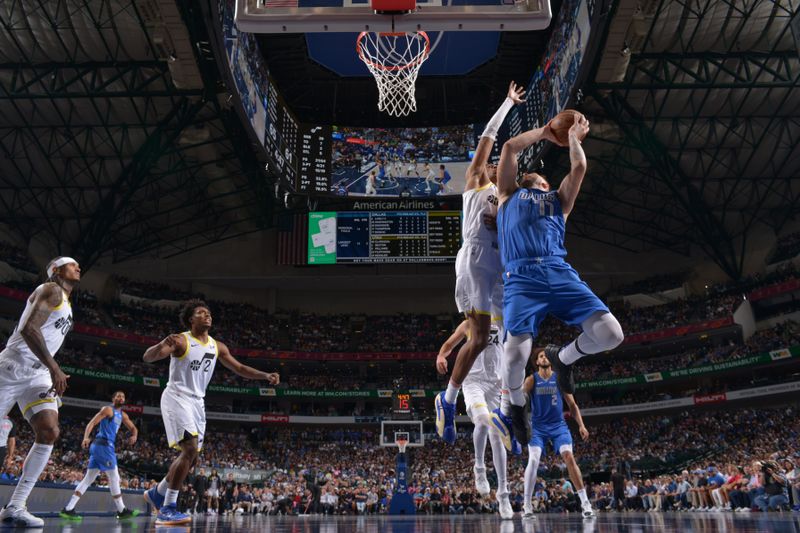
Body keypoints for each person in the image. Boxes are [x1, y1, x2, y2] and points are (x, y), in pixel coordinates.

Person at [490, 113, 624, 448]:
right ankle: (517, 410)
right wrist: (546, 133)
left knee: (612, 334)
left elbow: (578, 169)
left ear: (547, 185)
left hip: (557, 271)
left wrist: (575, 138)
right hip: (521, 277)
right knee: (514, 358)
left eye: (540, 179)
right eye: (531, 178)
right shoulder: (508, 194)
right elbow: (508, 148)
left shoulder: (558, 202)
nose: (537, 180)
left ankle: (564, 358)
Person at [435, 81, 526, 447]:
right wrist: (507, 104)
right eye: (488, 162)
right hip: (474, 259)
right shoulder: (475, 182)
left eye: (494, 164)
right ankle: (448, 399)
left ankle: (505, 410)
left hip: (501, 265)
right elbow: (490, 139)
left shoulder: (508, 196)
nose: (490, 164)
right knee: (475, 336)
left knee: (513, 335)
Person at [141, 299, 280, 526]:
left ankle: (157, 493)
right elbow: (148, 357)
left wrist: (265, 376)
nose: (207, 315)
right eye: (201, 312)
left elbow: (240, 368)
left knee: (192, 458)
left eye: (208, 313)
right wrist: (159, 346)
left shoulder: (217, 346)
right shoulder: (180, 340)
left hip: (198, 402)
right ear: (190, 319)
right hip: (177, 396)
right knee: (189, 449)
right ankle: (167, 507)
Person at [0, 256, 79, 527]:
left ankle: (16, 505)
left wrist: (50, 370)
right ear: (56, 271)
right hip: (13, 367)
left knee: (49, 431)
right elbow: (28, 329)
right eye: (72, 264)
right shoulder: (51, 289)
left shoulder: (67, 302)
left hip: (37, 374)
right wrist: (55, 368)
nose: (78, 267)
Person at [435, 299, 513, 519]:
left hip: (497, 382)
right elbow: (448, 345)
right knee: (482, 421)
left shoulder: (504, 319)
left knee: (497, 436)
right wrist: (441, 356)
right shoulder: (469, 323)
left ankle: (504, 495)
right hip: (473, 381)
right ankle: (479, 467)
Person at [521, 348, 595, 519]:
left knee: (569, 456)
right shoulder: (531, 380)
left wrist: (581, 426)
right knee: (533, 460)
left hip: (558, 426)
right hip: (538, 428)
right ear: (537, 362)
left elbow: (573, 405)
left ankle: (585, 502)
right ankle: (527, 505)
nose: (544, 357)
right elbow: (520, 403)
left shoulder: (560, 379)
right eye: (541, 356)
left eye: (546, 355)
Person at [59, 391, 139, 520]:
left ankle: (68, 509)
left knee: (88, 479)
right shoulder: (108, 410)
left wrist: (134, 435)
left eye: (123, 396)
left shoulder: (123, 415)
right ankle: (122, 510)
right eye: (118, 396)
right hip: (103, 446)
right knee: (114, 477)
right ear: (113, 399)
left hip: (102, 448)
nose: (121, 398)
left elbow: (134, 428)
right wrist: (86, 437)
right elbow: (92, 423)